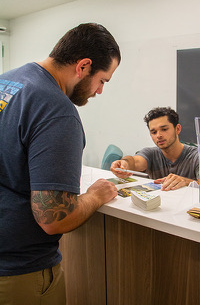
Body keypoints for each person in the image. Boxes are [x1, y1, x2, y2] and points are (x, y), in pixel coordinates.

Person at [0, 23, 120, 305]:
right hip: (20, 275)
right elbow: (53, 218)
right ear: (84, 66)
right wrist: (95, 195)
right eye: (102, 80)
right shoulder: (56, 111)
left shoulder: (8, 81)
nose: (99, 91)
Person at [111, 107, 199, 191]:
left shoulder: (198, 156)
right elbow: (135, 161)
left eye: (164, 129)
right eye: (153, 132)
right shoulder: (150, 153)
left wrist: (187, 182)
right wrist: (124, 163)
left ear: (177, 129)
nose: (158, 135)